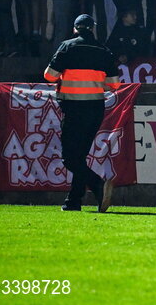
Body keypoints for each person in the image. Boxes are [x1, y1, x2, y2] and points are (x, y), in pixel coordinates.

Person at [43, 14, 120, 212]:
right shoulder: (104, 51)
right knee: (80, 156)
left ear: (75, 29)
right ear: (92, 29)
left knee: (70, 158)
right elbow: (114, 85)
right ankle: (73, 202)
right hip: (95, 109)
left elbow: (50, 76)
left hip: (73, 108)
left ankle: (97, 184)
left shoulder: (67, 46)